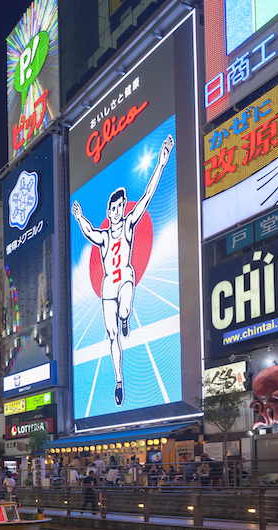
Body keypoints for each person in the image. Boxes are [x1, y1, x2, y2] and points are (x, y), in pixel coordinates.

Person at [71, 134, 174, 406]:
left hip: (125, 277)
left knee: (125, 309)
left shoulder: (129, 224)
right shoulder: (104, 236)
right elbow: (89, 232)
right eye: (113, 208)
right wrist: (79, 217)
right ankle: (119, 380)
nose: (117, 211)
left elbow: (147, 197)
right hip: (108, 287)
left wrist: (162, 163)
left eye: (120, 206)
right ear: (108, 210)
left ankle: (126, 316)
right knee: (112, 336)